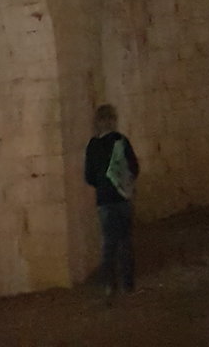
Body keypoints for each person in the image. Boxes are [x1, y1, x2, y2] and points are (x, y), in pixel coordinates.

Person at [84, 103, 139, 298]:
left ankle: (109, 284)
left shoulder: (93, 145)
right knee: (125, 241)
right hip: (122, 197)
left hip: (104, 200)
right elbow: (134, 168)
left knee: (108, 243)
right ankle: (127, 284)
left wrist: (102, 183)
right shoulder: (121, 141)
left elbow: (89, 177)